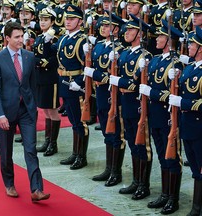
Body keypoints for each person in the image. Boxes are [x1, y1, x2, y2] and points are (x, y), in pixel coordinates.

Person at [0, 21, 50, 201]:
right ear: (7, 38)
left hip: (26, 111)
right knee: (6, 151)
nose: (20, 40)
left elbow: (31, 84)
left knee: (31, 149)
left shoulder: (29, 57)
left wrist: (33, 106)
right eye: (16, 37)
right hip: (6, 112)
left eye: (21, 36)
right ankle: (9, 184)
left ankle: (36, 189)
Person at [139, 19, 183, 214]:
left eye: (161, 37)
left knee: (173, 157)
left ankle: (173, 198)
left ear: (170, 41)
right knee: (161, 155)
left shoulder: (177, 63)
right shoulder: (156, 60)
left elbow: (171, 94)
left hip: (169, 116)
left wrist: (151, 92)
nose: (157, 39)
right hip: (154, 114)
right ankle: (165, 194)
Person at [109, 14, 153, 200]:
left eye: (131, 30)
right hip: (125, 102)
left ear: (140, 34)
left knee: (143, 144)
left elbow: (136, 83)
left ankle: (144, 184)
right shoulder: (125, 53)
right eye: (126, 30)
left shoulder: (146, 56)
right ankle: (136, 181)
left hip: (138, 104)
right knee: (132, 141)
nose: (127, 33)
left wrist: (119, 81)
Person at [43, 4, 89, 170]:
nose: (68, 21)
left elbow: (88, 67)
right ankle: (75, 153)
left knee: (80, 122)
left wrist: (80, 82)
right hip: (64, 83)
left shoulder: (82, 41)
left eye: (72, 19)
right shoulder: (64, 38)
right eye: (67, 19)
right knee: (72, 121)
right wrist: (47, 42)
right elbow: (52, 53)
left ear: (80, 21)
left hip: (76, 86)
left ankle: (81, 156)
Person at [83, 11, 126, 186]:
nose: (103, 28)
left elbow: (116, 75)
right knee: (106, 131)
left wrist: (95, 74)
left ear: (116, 29)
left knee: (116, 132)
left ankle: (116, 171)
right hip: (100, 92)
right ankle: (109, 168)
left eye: (108, 25)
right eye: (102, 25)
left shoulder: (119, 50)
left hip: (112, 93)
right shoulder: (100, 46)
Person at [168, 26, 202, 216]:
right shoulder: (190, 68)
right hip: (187, 125)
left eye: (193, 44)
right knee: (196, 167)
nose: (189, 46)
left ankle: (197, 208)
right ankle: (196, 207)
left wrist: (184, 102)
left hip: (199, 125)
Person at [34, 8, 61, 156]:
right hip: (40, 77)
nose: (43, 22)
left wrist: (38, 61)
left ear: (52, 21)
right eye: (41, 19)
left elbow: (53, 59)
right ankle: (47, 140)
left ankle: (53, 143)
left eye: (46, 20)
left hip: (50, 78)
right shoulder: (40, 37)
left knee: (52, 110)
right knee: (45, 109)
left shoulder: (54, 39)